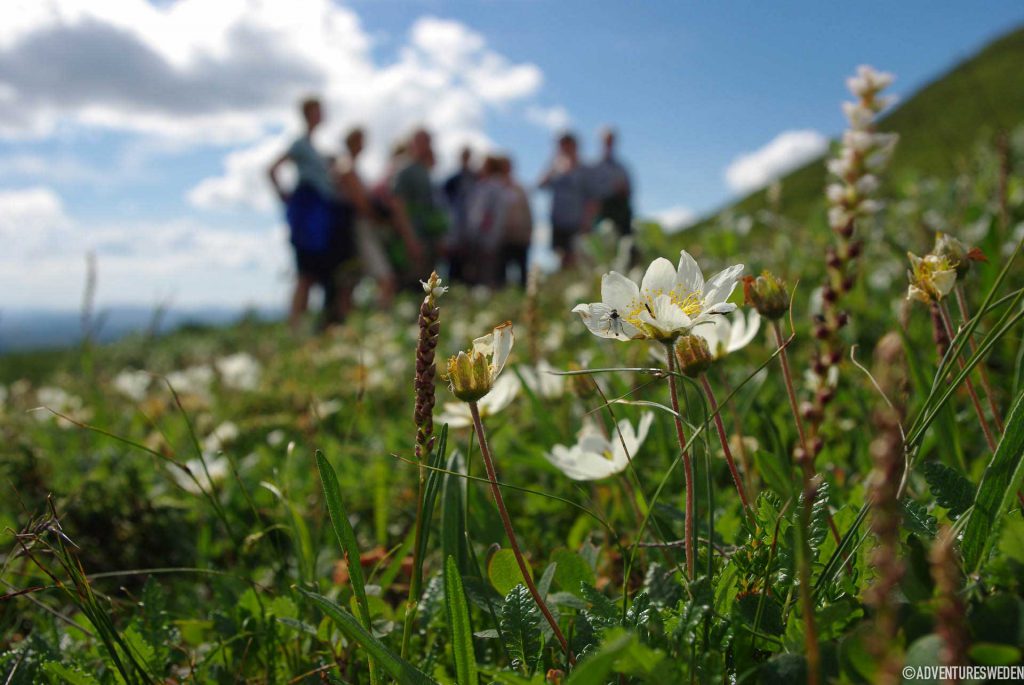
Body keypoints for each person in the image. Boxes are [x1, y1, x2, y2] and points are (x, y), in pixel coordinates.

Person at [267, 96, 355, 332]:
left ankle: (310, 326)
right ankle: (295, 327)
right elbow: (272, 169)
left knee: (318, 272)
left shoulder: (315, 147)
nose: (321, 115)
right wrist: (286, 198)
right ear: (308, 114)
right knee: (306, 274)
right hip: (309, 214)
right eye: (318, 111)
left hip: (322, 216)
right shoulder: (299, 144)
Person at [334, 128, 397, 307]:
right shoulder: (347, 168)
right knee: (385, 279)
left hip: (354, 231)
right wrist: (382, 218)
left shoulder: (349, 167)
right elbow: (362, 205)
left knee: (349, 283)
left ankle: (344, 324)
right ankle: (381, 322)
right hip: (360, 230)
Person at [392, 129, 446, 278]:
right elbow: (398, 205)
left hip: (429, 238)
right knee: (413, 283)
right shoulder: (405, 169)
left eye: (428, 142)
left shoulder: (425, 171)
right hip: (414, 238)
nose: (426, 146)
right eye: (422, 141)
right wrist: (410, 239)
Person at [538, 132, 597, 269]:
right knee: (561, 256)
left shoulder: (584, 170)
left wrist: (587, 220)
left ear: (575, 146)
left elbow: (592, 199)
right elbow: (541, 185)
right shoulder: (555, 168)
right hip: (558, 220)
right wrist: (553, 165)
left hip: (577, 221)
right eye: (561, 145)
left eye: (567, 145)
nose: (564, 148)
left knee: (577, 255)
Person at [466, 155, 507, 287]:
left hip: (485, 238)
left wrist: (481, 232)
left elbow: (489, 214)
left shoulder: (492, 186)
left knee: (485, 273)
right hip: (484, 237)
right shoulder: (487, 185)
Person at [497, 156, 533, 287]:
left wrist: (529, 232)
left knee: (522, 271)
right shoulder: (496, 188)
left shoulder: (520, 188)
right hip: (502, 237)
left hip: (520, 237)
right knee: (501, 272)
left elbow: (528, 211)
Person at [443, 147, 477, 284]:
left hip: (471, 229)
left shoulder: (475, 178)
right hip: (455, 229)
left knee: (470, 267)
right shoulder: (452, 180)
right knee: (454, 265)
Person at [592, 127, 633, 238]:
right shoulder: (594, 167)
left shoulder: (622, 168)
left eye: (611, 141)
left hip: (620, 210)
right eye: (606, 141)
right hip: (601, 210)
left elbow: (629, 191)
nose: (609, 144)